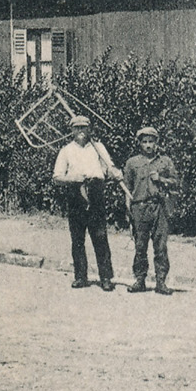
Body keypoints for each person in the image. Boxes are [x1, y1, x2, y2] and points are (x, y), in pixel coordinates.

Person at [52, 115, 123, 291]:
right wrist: (72, 178)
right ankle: (80, 277)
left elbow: (109, 169)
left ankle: (106, 277)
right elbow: (57, 177)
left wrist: (115, 173)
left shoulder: (98, 148)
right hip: (75, 193)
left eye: (84, 127)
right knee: (77, 238)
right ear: (71, 131)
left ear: (90, 129)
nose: (81, 131)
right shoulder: (66, 150)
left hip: (96, 192)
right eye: (77, 128)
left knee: (100, 236)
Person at [122, 125, 180, 295]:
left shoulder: (165, 161)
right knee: (140, 246)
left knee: (160, 246)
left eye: (151, 141)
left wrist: (160, 179)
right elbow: (127, 187)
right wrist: (128, 211)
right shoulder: (132, 162)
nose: (148, 145)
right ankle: (140, 280)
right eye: (144, 142)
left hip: (159, 207)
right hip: (139, 208)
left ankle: (161, 282)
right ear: (139, 143)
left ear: (157, 142)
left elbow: (176, 182)